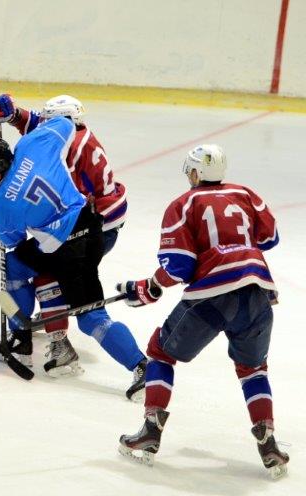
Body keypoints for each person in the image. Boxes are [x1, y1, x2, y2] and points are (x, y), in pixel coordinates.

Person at [116, 144, 289, 479]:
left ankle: (150, 431)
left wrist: (150, 287)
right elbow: (270, 238)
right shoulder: (246, 194)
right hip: (257, 291)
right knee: (253, 368)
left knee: (160, 352)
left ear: (196, 173)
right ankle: (268, 443)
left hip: (212, 296)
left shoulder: (183, 204)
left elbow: (180, 266)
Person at [0, 115, 146, 400]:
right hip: (92, 228)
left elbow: (12, 240)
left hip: (66, 251)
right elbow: (65, 123)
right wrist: (20, 118)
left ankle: (142, 367)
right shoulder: (32, 144)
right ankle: (25, 338)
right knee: (18, 263)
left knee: (90, 317)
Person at [0, 94, 128, 375]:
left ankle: (56, 343)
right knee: (37, 262)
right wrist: (14, 115)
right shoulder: (76, 132)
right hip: (94, 222)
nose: (44, 124)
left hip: (94, 228)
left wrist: (3, 221)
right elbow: (42, 133)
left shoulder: (73, 150)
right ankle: (42, 333)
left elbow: (40, 148)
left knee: (46, 273)